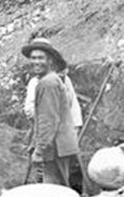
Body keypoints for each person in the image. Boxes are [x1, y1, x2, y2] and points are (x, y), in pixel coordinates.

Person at [21, 38, 80, 187]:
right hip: (58, 146)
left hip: (56, 148)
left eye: (41, 58)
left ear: (50, 60)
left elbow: (49, 120)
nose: (36, 62)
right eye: (33, 58)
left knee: (53, 188)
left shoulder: (48, 83)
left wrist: (39, 151)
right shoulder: (50, 80)